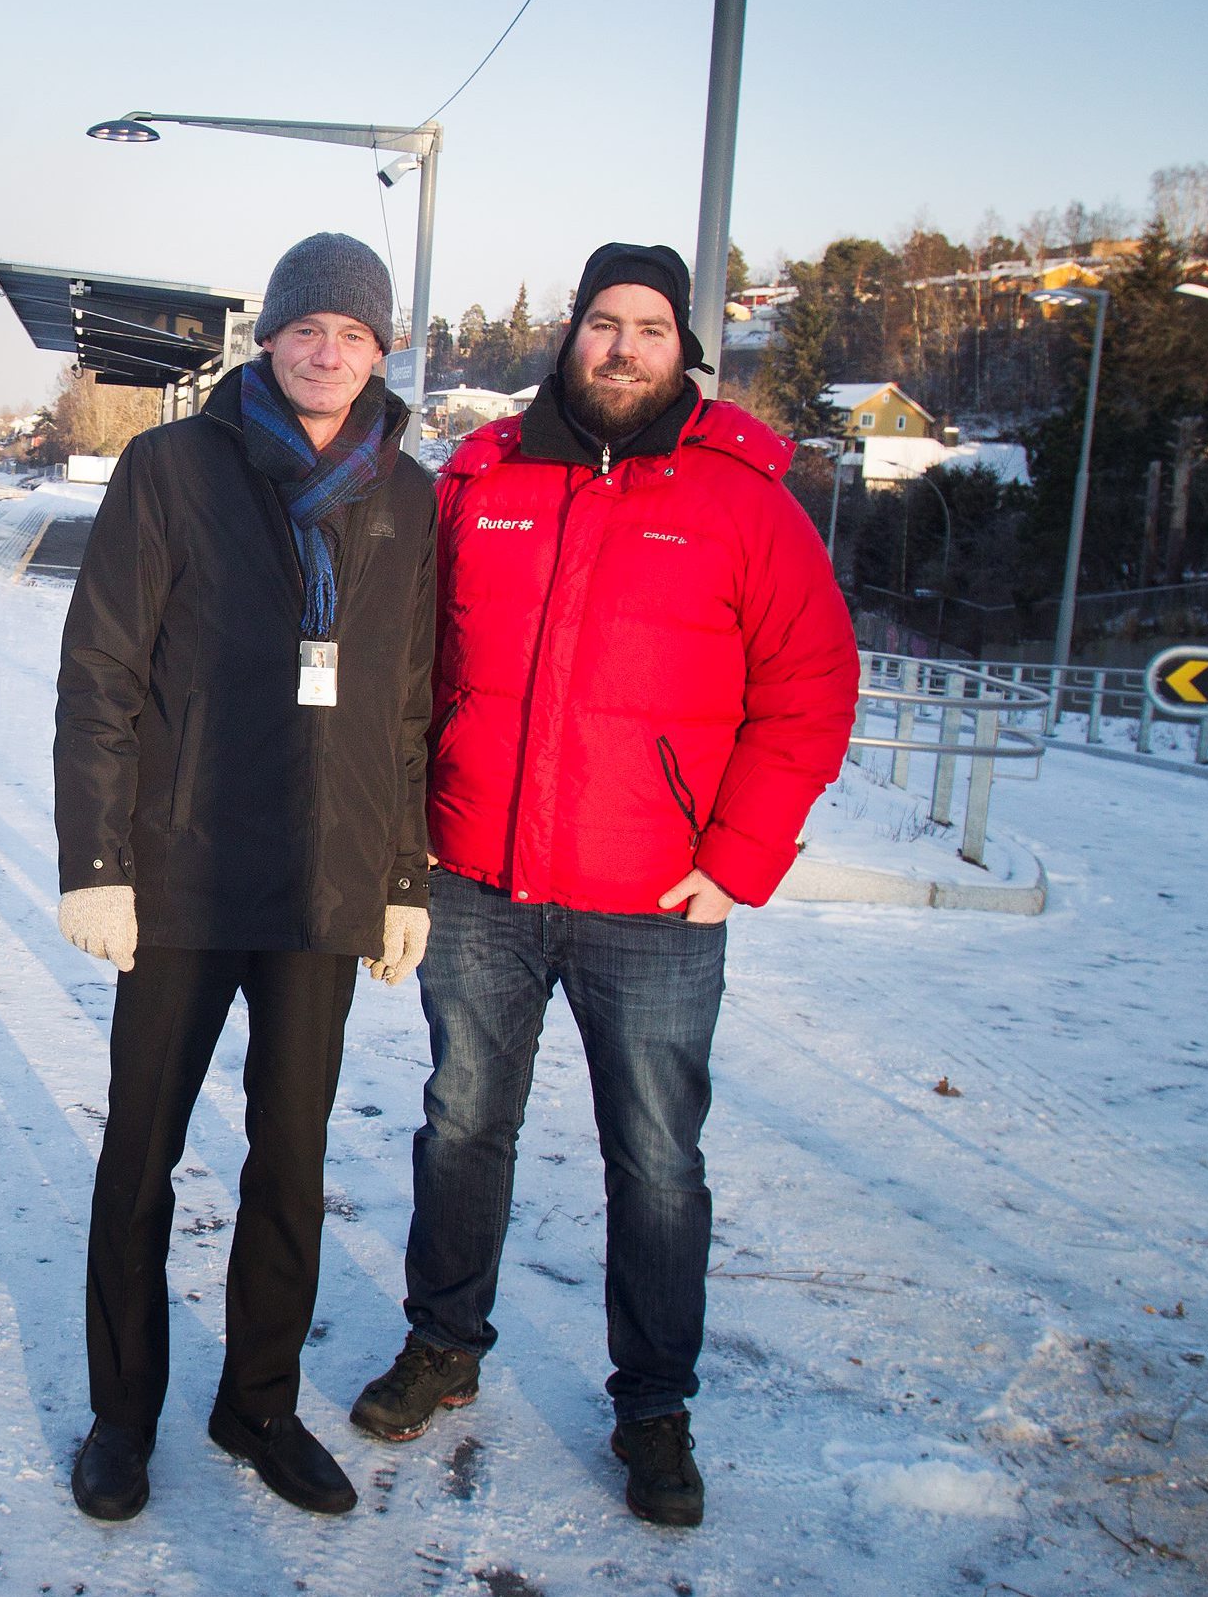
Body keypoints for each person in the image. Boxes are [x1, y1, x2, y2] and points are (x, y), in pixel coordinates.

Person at [349, 241, 858, 1528]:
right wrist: (398, 851)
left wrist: (736, 858)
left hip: (656, 900)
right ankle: (444, 1344)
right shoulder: (486, 479)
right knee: (462, 1122)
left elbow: (810, 690)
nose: (623, 346)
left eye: (649, 327)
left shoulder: (744, 500)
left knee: (658, 1159)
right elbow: (409, 668)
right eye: (602, 323)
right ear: (569, 335)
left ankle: (654, 1407)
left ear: (684, 349)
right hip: (480, 881)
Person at [53, 231, 437, 1523]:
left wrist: (404, 875)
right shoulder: (172, 468)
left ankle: (258, 1401)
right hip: (184, 868)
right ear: (268, 338)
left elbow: (405, 704)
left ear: (382, 351)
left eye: (355, 333)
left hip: (323, 883)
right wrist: (99, 863)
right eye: (307, 327)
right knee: (142, 1152)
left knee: (291, 1154)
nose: (329, 351)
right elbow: (102, 673)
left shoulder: (408, 492)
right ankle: (123, 1411)